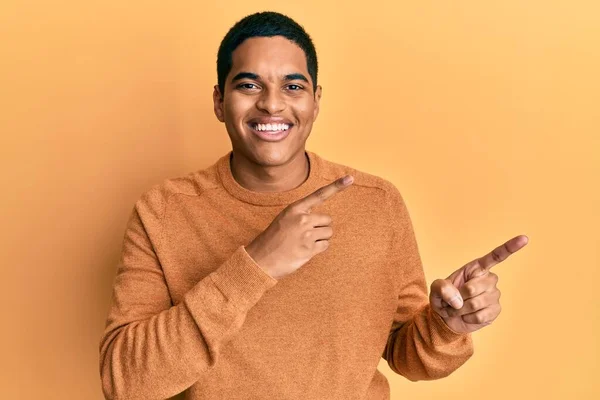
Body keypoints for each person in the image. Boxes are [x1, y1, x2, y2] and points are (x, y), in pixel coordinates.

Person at [99, 11, 528, 400]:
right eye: (249, 85)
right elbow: (127, 382)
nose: (271, 102)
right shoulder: (163, 212)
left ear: (315, 101)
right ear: (218, 101)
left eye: (293, 86)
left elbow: (405, 354)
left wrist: (446, 324)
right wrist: (255, 265)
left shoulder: (376, 204)